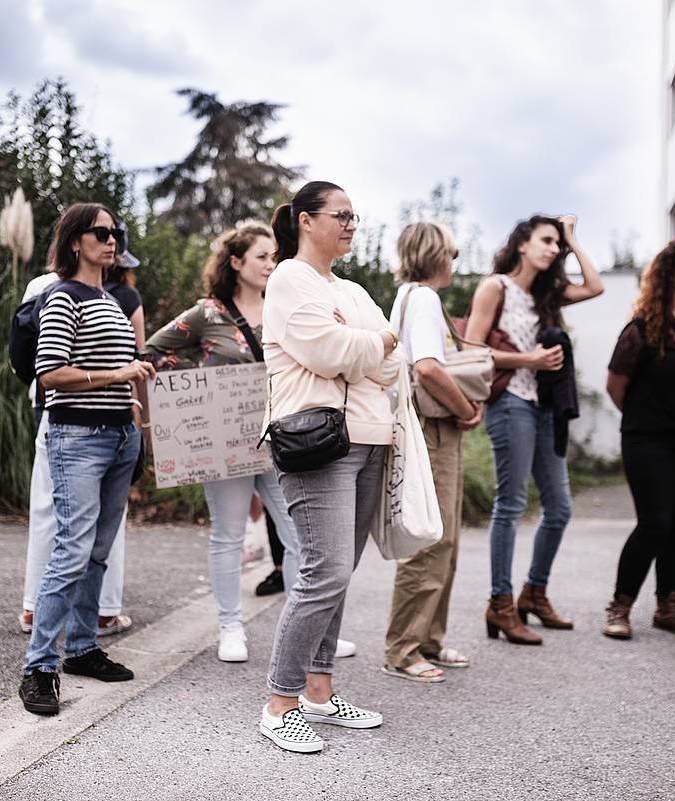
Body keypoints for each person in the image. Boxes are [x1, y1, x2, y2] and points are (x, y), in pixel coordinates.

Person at [257, 181, 400, 753]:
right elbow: (331, 351)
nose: (350, 224)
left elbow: (391, 369)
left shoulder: (353, 290)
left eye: (354, 217)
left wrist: (366, 346)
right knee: (325, 571)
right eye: (340, 215)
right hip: (317, 443)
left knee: (338, 575)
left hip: (366, 439)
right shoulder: (288, 280)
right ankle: (279, 702)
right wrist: (378, 341)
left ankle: (319, 692)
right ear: (304, 221)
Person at [18, 203, 155, 716]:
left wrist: (133, 406)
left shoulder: (110, 298)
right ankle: (39, 667)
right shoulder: (62, 297)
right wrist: (118, 378)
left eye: (116, 232)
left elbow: (115, 366)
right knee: (72, 549)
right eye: (102, 233)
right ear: (76, 241)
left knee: (98, 549)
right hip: (77, 436)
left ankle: (79, 649)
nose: (112, 240)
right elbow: (50, 373)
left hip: (120, 436)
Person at [145, 222, 302, 662]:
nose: (272, 264)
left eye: (274, 257)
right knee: (229, 536)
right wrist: (186, 407)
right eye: (262, 257)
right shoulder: (207, 314)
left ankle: (303, 630)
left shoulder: (284, 308)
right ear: (236, 263)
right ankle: (230, 627)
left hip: (281, 437)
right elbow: (152, 354)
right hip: (224, 444)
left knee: (298, 538)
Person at [465, 214, 603, 645]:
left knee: (559, 507)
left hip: (546, 409)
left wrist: (573, 239)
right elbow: (471, 348)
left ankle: (534, 594)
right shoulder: (496, 287)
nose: (552, 249)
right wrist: (529, 361)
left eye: (556, 245)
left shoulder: (547, 295)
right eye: (546, 240)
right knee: (511, 503)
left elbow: (596, 286)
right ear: (522, 244)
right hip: (511, 404)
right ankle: (500, 603)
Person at [381, 221, 483, 682]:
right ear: (434, 255)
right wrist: (466, 408)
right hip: (433, 426)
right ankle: (403, 649)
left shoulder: (407, 297)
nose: (455, 261)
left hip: (428, 424)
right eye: (452, 252)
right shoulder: (423, 299)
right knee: (430, 538)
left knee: (446, 537)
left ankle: (429, 638)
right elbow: (427, 368)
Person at [603, 239, 675, 639]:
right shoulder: (641, 330)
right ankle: (619, 607)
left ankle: (668, 607)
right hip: (648, 441)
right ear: (668, 276)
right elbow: (615, 386)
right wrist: (646, 418)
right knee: (654, 523)